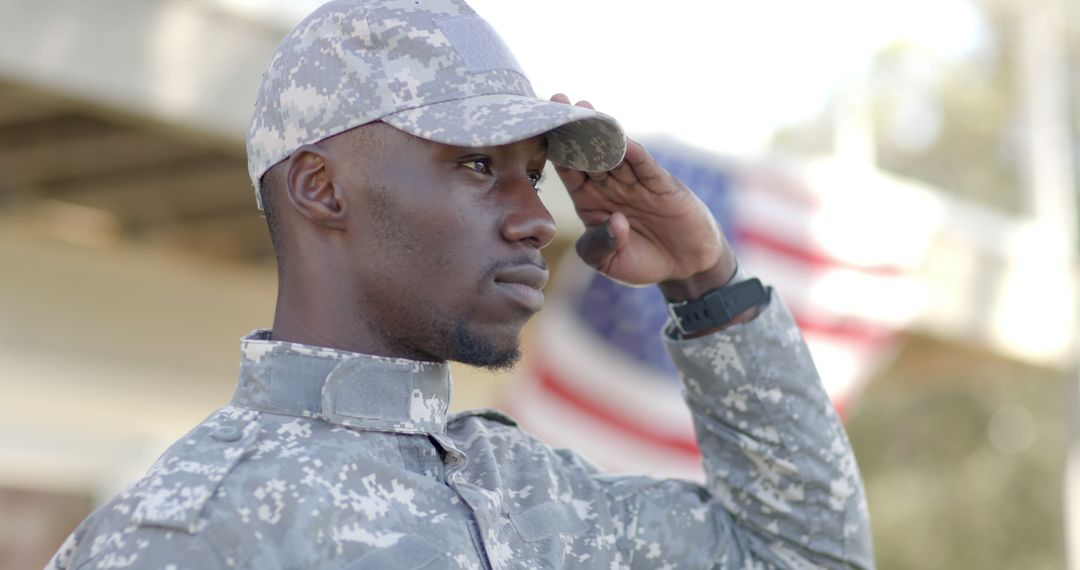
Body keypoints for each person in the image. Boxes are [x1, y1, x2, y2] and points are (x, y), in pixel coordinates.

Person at [47, 0, 873, 568]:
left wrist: (706, 280)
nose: (537, 219)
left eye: (534, 173)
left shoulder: (538, 499)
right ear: (320, 188)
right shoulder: (189, 535)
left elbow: (803, 554)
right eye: (478, 165)